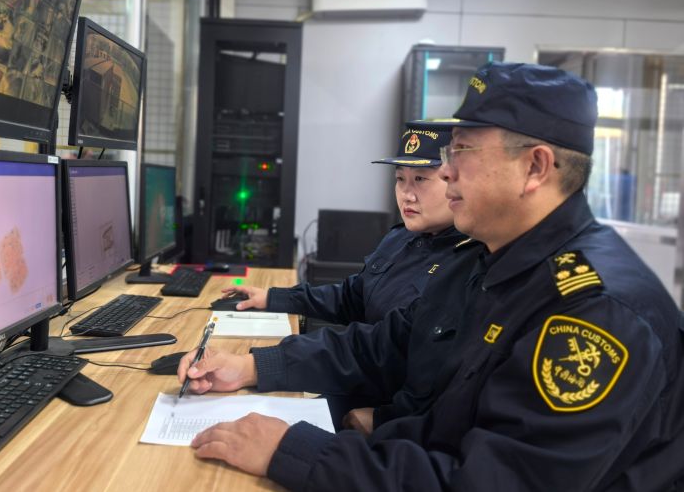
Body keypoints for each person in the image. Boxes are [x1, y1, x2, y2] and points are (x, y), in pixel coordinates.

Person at [177, 62, 684, 491]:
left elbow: (491, 483)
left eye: (460, 152)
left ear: (535, 167)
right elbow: (387, 346)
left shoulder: (596, 312)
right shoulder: (489, 259)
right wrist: (252, 367)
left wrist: (296, 452)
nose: (445, 173)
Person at [222, 123, 469, 325]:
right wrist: (274, 298)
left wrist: (267, 362)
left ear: (456, 181)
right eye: (400, 178)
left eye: (420, 179)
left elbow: (383, 348)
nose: (406, 194)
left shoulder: (467, 264)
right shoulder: (401, 238)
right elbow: (352, 297)